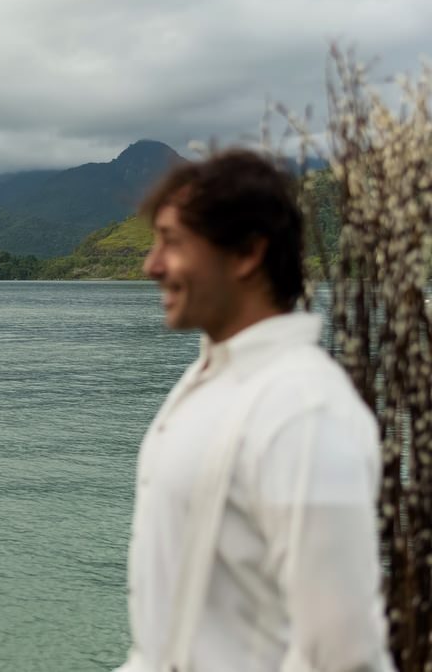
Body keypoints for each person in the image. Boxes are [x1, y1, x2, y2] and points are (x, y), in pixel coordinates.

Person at [117, 150, 392, 671]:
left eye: (172, 242)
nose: (150, 265)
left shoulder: (303, 410)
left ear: (246, 253)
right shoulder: (214, 382)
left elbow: (345, 654)